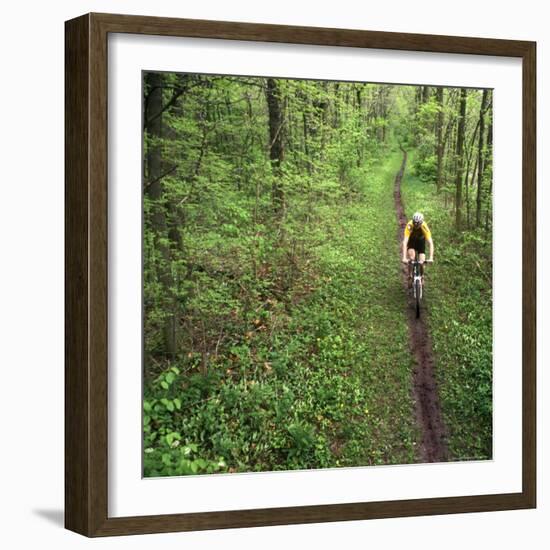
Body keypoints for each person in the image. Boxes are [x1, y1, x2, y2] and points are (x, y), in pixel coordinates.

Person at [401, 212, 434, 287]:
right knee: (412, 257)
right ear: (413, 221)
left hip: (420, 242)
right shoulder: (409, 225)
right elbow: (405, 242)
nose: (416, 226)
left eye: (417, 224)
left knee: (422, 261)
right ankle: (409, 276)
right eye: (414, 223)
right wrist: (404, 257)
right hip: (412, 241)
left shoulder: (424, 226)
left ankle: (422, 276)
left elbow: (431, 243)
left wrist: (431, 257)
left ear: (421, 223)